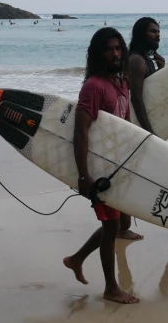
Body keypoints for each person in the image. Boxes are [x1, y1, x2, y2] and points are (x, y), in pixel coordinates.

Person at [63, 27, 140, 304]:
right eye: (109, 49)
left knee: (115, 224)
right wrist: (84, 176)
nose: (116, 53)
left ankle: (76, 258)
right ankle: (110, 288)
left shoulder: (122, 82)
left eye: (119, 48)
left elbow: (126, 125)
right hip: (99, 169)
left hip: (117, 165)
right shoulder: (93, 86)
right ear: (98, 53)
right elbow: (80, 132)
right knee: (111, 227)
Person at [128, 18, 168, 236]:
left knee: (134, 177)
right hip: (136, 128)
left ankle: (123, 227)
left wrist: (161, 70)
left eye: (159, 31)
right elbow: (136, 100)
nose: (158, 35)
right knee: (162, 171)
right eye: (152, 31)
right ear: (141, 34)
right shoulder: (137, 61)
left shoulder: (146, 60)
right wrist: (150, 133)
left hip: (141, 127)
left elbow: (152, 95)